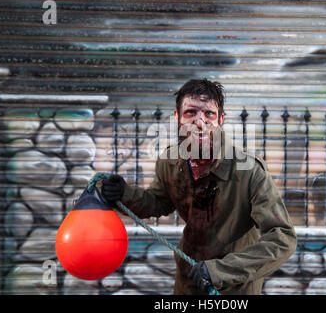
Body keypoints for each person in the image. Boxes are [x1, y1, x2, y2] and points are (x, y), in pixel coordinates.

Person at [101, 78, 297, 295]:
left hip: (233, 289)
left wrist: (220, 271)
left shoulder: (249, 171)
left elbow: (282, 238)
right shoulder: (169, 161)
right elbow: (158, 203)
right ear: (177, 118)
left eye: (209, 114)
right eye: (190, 113)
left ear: (221, 120)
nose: (200, 122)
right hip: (188, 281)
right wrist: (124, 194)